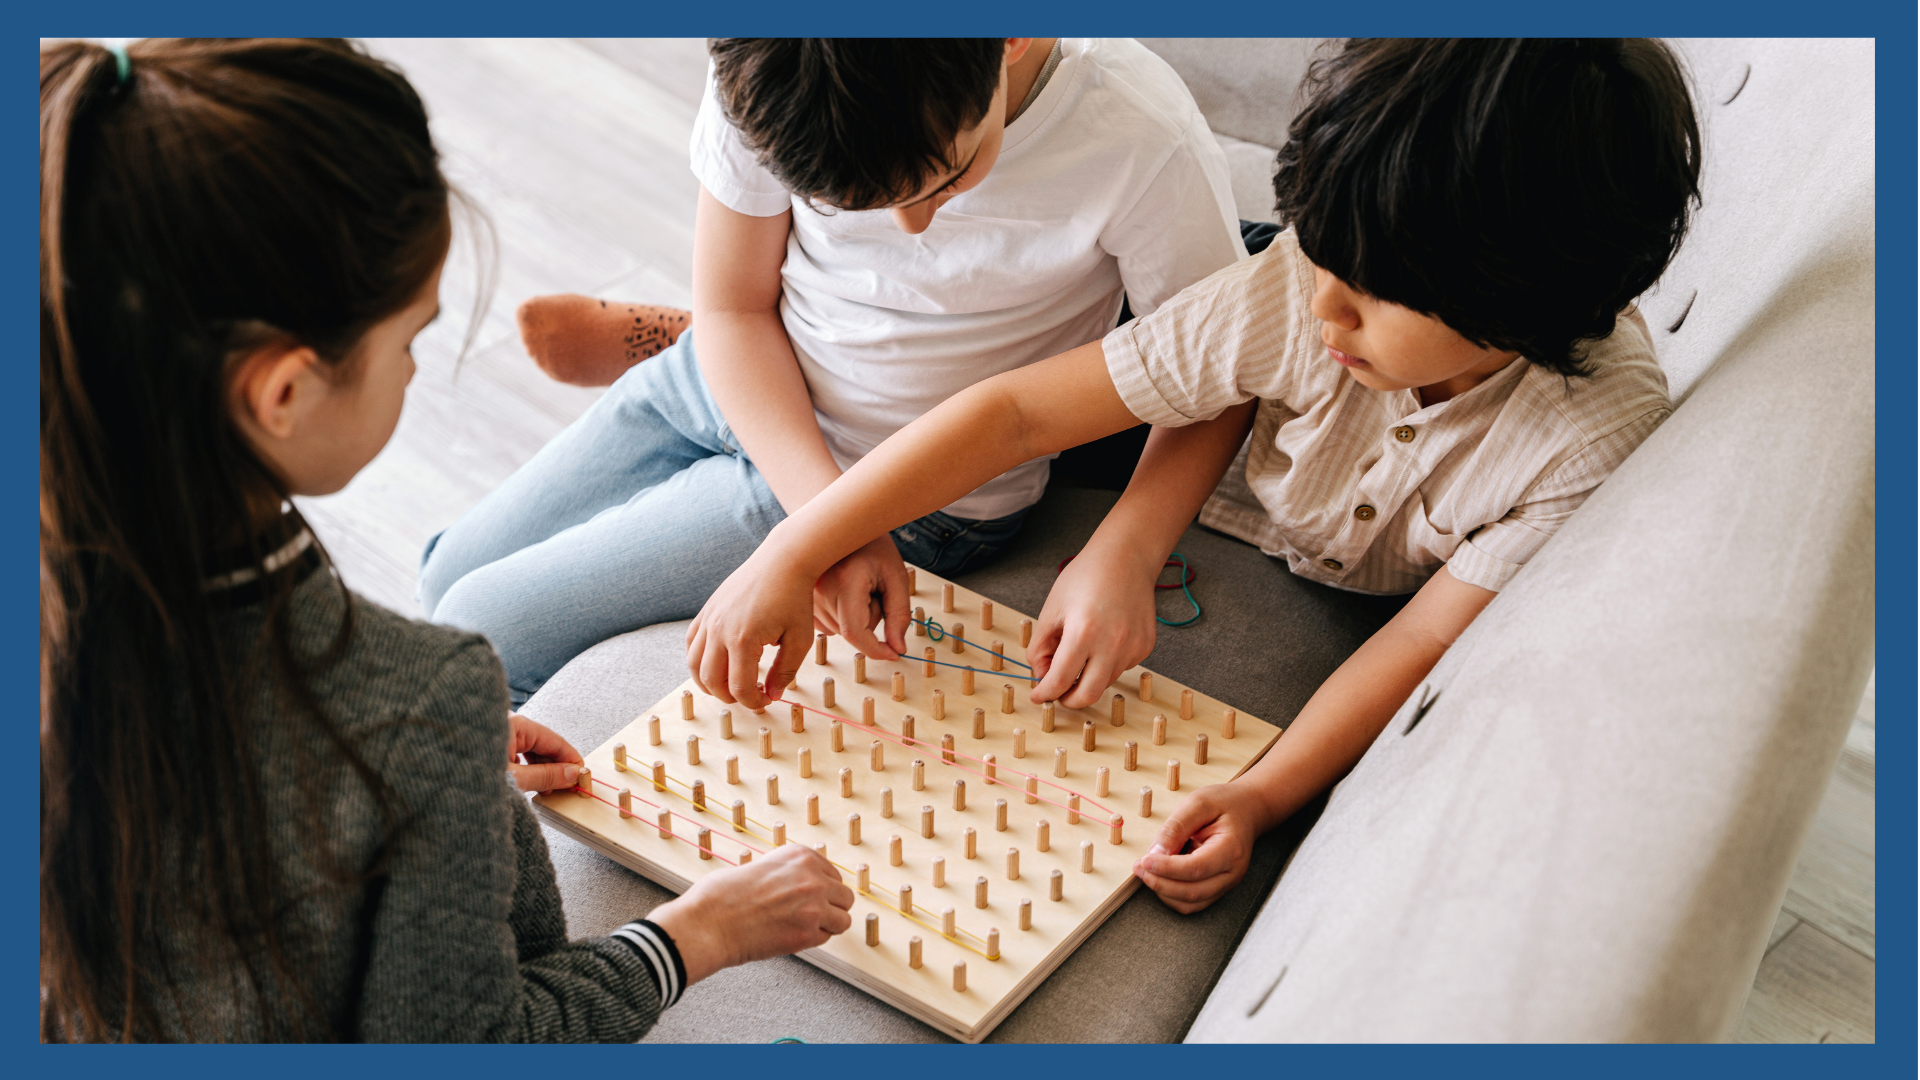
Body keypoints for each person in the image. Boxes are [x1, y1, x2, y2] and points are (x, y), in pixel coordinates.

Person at [683, 39, 1701, 913]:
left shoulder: (1586, 441)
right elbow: (1018, 409)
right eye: (1325, 264)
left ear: (1524, 308)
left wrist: (1261, 796)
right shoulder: (1295, 289)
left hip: (1263, 438)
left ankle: (668, 336)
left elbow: (1427, 636)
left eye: (1374, 294)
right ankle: (674, 337)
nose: (1328, 311)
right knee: (1213, 325)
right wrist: (799, 545)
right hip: (1202, 379)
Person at [40, 37, 852, 1043]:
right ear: (283, 392)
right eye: (411, 339)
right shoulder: (416, 705)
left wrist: (427, 778)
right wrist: (693, 934)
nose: (419, 371)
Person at [415, 38, 1251, 705]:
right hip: (722, 377)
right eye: (850, 207)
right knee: (446, 570)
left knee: (477, 631)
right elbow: (737, 310)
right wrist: (826, 528)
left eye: (949, 179)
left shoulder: (1139, 135)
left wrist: (1130, 549)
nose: (914, 227)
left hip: (918, 496)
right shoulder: (772, 69)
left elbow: (1214, 379)